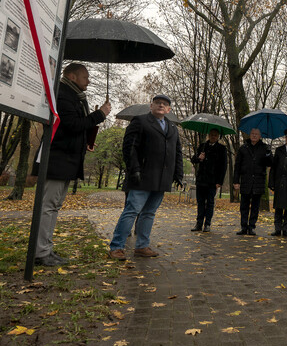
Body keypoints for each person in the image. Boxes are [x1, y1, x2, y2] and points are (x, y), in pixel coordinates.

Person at [35, 63, 111, 266]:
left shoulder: (75, 97)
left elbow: (76, 128)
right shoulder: (63, 95)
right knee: (48, 206)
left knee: (54, 206)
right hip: (56, 159)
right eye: (85, 77)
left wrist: (87, 140)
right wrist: (100, 114)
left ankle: (46, 250)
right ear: (72, 76)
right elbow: (72, 125)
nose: (89, 80)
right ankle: (40, 252)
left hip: (66, 160)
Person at [108, 94, 184, 260]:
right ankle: (117, 247)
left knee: (149, 212)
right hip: (141, 176)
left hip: (163, 178)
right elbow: (129, 147)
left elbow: (177, 153)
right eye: (157, 103)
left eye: (164, 104)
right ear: (151, 106)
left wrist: (178, 174)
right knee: (132, 210)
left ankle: (142, 246)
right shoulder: (140, 121)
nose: (161, 105)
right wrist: (133, 168)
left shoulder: (172, 128)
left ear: (169, 109)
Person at [234, 127, 272, 235]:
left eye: (256, 134)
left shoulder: (265, 148)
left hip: (258, 181)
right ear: (249, 135)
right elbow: (237, 166)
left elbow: (270, 163)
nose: (254, 135)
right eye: (252, 133)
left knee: (255, 206)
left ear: (260, 136)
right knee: (244, 206)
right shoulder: (243, 148)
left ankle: (251, 227)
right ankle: (243, 226)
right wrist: (236, 181)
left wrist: (269, 153)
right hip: (246, 181)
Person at [190, 128, 228, 233]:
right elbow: (193, 159)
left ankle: (207, 224)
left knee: (210, 203)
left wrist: (219, 182)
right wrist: (199, 158)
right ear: (208, 135)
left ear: (218, 136)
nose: (213, 137)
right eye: (211, 135)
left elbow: (223, 166)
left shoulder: (221, 149)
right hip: (201, 179)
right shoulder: (202, 146)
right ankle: (199, 223)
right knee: (200, 202)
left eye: (215, 135)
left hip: (212, 181)